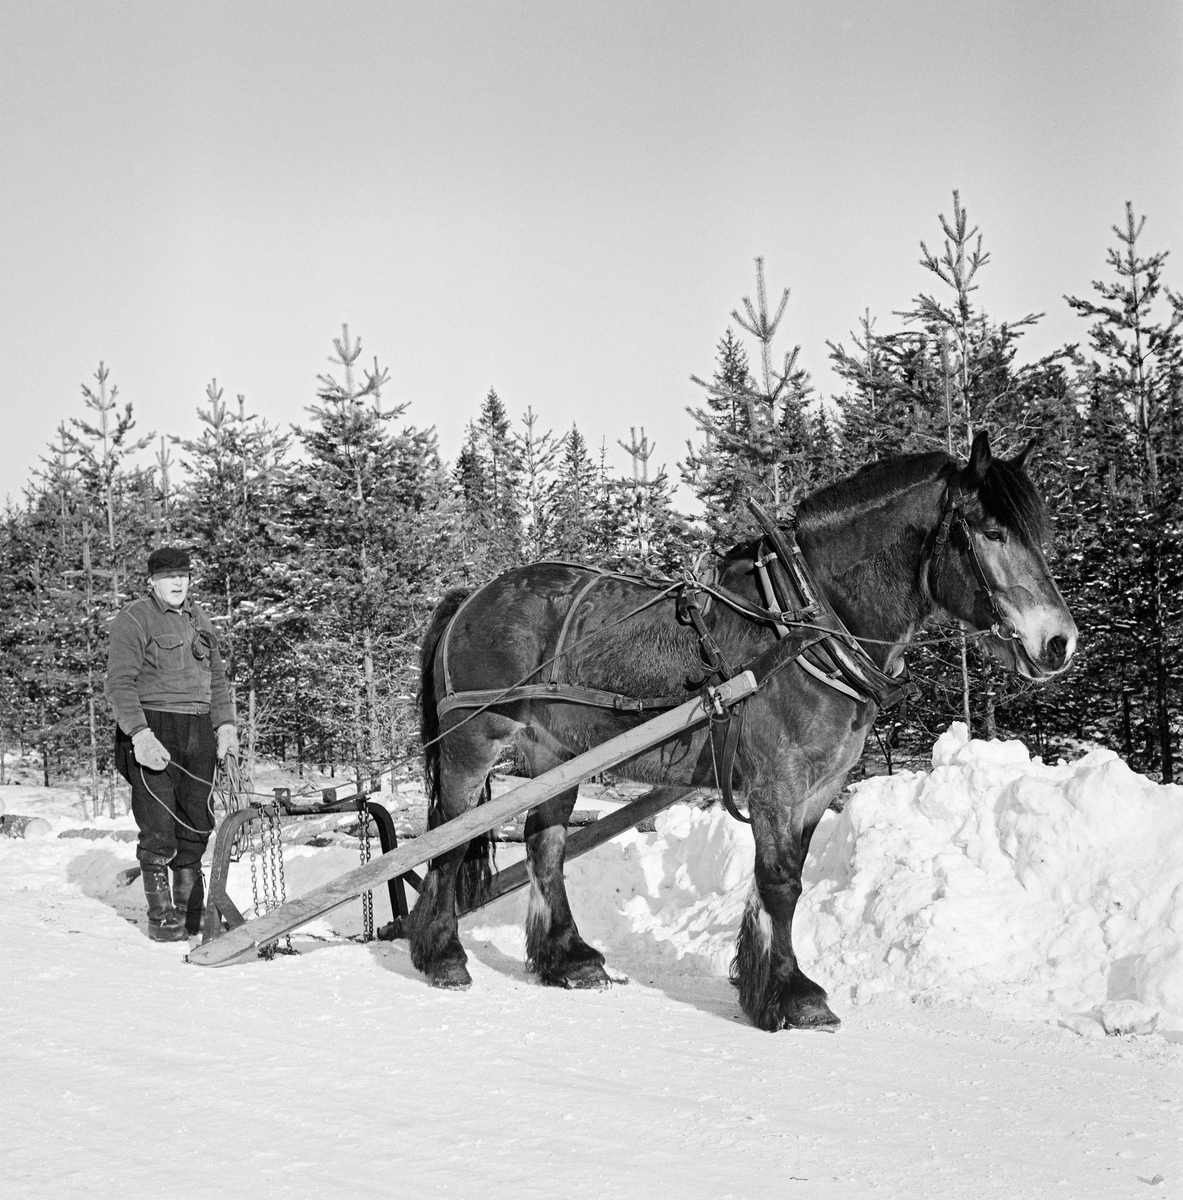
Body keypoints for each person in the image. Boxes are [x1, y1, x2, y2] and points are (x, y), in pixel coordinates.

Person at [104, 547, 239, 942]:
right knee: (159, 826)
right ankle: (162, 918)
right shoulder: (133, 620)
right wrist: (139, 734)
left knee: (196, 824)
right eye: (169, 577)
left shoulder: (199, 619)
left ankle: (189, 912)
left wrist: (225, 725)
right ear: (152, 581)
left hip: (197, 730)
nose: (178, 582)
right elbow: (118, 684)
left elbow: (216, 679)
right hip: (154, 727)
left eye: (184, 575)